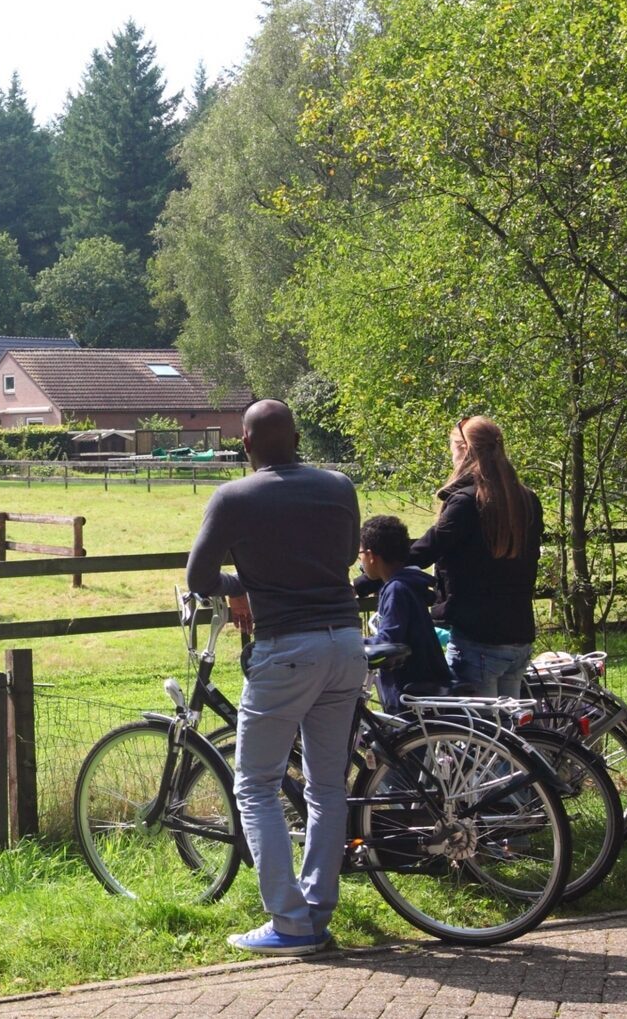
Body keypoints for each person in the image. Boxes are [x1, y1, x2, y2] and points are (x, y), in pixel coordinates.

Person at [186, 398, 363, 957]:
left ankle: (289, 922)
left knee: (256, 784)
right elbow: (335, 561)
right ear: (297, 438)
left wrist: (242, 587)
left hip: (287, 648)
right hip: (346, 642)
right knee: (327, 785)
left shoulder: (235, 496)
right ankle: (317, 909)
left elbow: (198, 575)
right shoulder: (339, 486)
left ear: (246, 444)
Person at [407, 415, 543, 697]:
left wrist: (371, 573)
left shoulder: (466, 502)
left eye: (453, 450)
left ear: (464, 451)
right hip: (519, 635)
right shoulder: (527, 500)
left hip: (478, 642)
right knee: (505, 736)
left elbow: (424, 552)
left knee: (475, 736)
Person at [358, 514, 452, 709]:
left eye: (360, 554)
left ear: (371, 556)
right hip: (422, 682)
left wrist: (354, 644)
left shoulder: (396, 590)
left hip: (410, 690)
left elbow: (389, 640)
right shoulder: (406, 584)